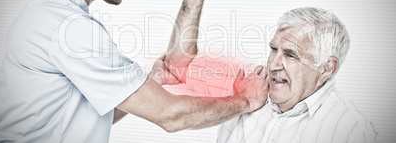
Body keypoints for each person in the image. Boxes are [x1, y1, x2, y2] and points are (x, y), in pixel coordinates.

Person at [0, 0, 269, 142]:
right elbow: (170, 115)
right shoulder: (69, 27)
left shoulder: (51, 13)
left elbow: (93, 115)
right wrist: (246, 99)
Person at [162, 7, 379, 142]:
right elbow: (177, 68)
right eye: (274, 49)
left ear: (327, 68)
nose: (273, 64)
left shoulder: (352, 130)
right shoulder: (246, 92)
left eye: (291, 55)